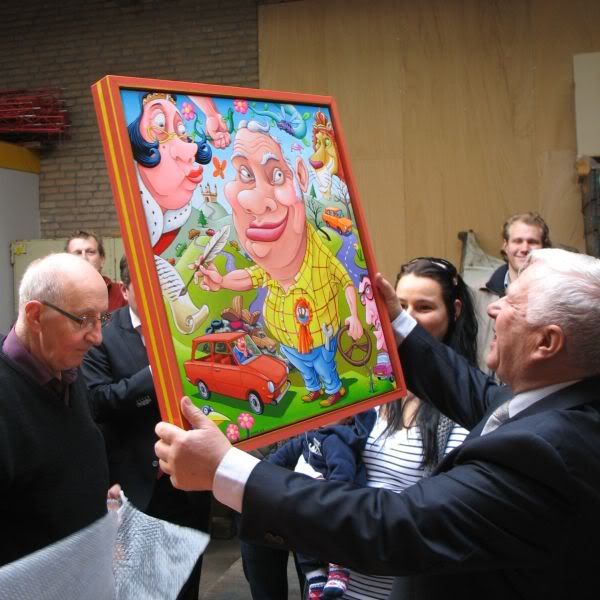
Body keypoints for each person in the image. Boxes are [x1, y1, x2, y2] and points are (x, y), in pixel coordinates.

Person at [155, 247, 600, 599]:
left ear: (546, 342)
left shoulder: (550, 453)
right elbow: (474, 392)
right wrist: (395, 322)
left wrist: (226, 470)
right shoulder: (557, 404)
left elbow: (396, 523)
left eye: (513, 303)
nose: (493, 308)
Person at [196, 119, 363, 407]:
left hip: (320, 338)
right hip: (289, 343)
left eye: (276, 175)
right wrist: (221, 281)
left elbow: (346, 281)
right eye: (244, 174)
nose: (254, 201)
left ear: (300, 177)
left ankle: (333, 389)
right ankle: (313, 388)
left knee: (324, 366)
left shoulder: (319, 256)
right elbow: (250, 276)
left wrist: (355, 317)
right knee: (305, 368)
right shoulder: (271, 270)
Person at [343, 257, 477, 600]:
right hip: (344, 586)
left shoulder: (469, 408)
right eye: (399, 305)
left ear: (454, 311)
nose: (407, 317)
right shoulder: (375, 385)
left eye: (424, 307)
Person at [80, 256, 210, 600]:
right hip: (136, 483)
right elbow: (97, 402)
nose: (158, 294)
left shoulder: (186, 327)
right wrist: (152, 375)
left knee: (187, 583)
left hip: (189, 483)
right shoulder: (103, 336)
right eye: (146, 286)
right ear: (125, 291)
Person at [0, 253, 112, 566]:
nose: (98, 337)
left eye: (102, 318)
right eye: (83, 319)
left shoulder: (66, 369)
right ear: (35, 316)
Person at [243, 410, 376, 600]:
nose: (324, 415)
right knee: (264, 573)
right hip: (268, 487)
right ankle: (316, 576)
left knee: (318, 543)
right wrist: (252, 474)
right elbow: (280, 456)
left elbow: (343, 477)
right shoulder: (310, 435)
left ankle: (333, 570)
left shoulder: (336, 440)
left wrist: (328, 496)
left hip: (317, 501)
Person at [472, 212, 551, 374]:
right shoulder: (477, 292)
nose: (524, 248)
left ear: (544, 247)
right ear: (505, 245)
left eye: (532, 242)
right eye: (517, 241)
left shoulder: (555, 293)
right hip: (486, 384)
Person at [65, 229, 127, 312]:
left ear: (102, 259)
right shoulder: (58, 298)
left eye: (90, 252)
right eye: (78, 253)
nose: (84, 258)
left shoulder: (122, 294)